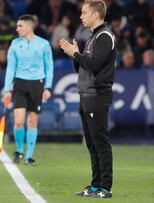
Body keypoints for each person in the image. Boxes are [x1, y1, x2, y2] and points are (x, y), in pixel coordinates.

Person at [59, 0, 115, 198]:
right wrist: (76, 56)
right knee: (91, 143)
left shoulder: (105, 36)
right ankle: (95, 185)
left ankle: (105, 187)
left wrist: (77, 54)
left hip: (97, 95)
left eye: (84, 13)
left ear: (96, 15)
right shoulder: (93, 36)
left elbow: (94, 64)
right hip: (86, 94)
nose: (81, 16)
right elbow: (85, 66)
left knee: (100, 142)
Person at [3, 14, 53, 165]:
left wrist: (48, 86)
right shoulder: (14, 44)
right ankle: (19, 151)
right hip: (20, 84)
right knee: (18, 121)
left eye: (20, 26)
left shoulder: (43, 44)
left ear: (30, 27)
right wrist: (7, 89)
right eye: (17, 26)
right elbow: (10, 69)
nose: (17, 29)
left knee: (33, 121)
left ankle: (29, 157)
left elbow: (49, 66)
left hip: (37, 84)